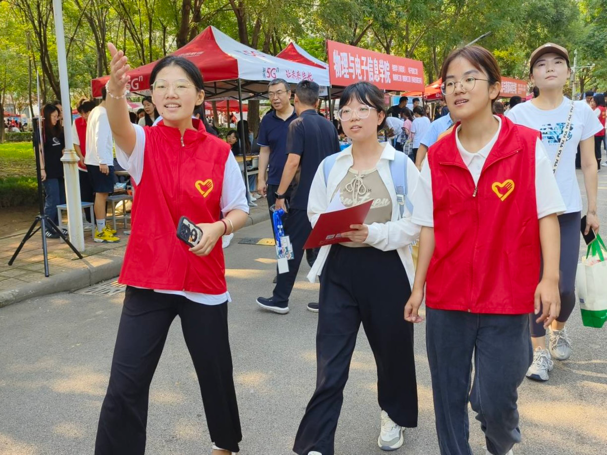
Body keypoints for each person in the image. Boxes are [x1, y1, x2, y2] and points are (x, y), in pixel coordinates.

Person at [406, 45, 566, 455]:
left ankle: (502, 441)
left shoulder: (525, 145)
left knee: (494, 400)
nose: (458, 88)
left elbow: (547, 214)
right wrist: (418, 288)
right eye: (450, 83)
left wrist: (550, 278)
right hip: (447, 296)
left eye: (469, 79)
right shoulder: (437, 156)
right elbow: (428, 227)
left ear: (495, 88)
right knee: (447, 398)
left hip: (507, 294)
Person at [96, 43, 249, 455]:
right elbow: (119, 127)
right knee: (125, 383)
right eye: (161, 86)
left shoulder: (219, 152)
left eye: (181, 85)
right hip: (149, 279)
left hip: (203, 279)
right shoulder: (143, 143)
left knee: (215, 371)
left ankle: (225, 444)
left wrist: (219, 227)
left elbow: (239, 208)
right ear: (151, 96)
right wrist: (115, 92)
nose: (170, 93)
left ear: (199, 96)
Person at [293, 81, 420, 455]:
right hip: (340, 269)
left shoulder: (401, 165)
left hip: (387, 270)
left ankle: (393, 414)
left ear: (380, 116)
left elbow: (417, 223)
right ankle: (316, 443)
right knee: (330, 360)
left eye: (363, 109)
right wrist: (332, 228)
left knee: (392, 352)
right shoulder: (330, 166)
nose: (353, 117)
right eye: (346, 110)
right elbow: (315, 211)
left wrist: (374, 234)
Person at [508, 42, 603, 382]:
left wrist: (592, 209)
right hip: (527, 213)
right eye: (541, 64)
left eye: (557, 62)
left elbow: (589, 162)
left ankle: (558, 330)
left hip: (566, 210)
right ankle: (539, 352)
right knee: (534, 282)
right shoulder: (517, 115)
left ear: (568, 72)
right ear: (532, 76)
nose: (550, 67)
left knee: (563, 286)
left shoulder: (581, 112)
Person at [256, 80, 340, 315]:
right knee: (323, 250)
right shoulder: (329, 125)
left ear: (294, 98)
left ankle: (280, 298)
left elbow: (292, 163)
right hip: (324, 198)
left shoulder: (298, 124)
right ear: (318, 101)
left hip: (302, 198)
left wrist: (280, 195)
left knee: (288, 248)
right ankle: (330, 300)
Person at [257, 78, 298, 234]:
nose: (275, 98)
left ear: (289, 94)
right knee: (279, 228)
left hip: (298, 182)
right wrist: (261, 179)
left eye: (279, 93)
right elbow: (264, 150)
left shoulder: (300, 117)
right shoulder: (267, 120)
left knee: (299, 228)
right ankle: (282, 251)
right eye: (271, 94)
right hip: (275, 181)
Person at [86, 87, 120, 243]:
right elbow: (99, 138)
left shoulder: (96, 111)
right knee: (101, 194)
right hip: (100, 161)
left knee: (102, 194)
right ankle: (100, 231)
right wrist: (103, 161)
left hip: (96, 160)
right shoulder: (103, 113)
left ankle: (101, 226)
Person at [40, 103, 66, 239]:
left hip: (59, 170)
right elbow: (38, 151)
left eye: (57, 116)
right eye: (54, 116)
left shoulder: (59, 131)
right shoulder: (42, 133)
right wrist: (42, 169)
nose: (56, 119)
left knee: (61, 199)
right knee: (53, 199)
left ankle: (57, 225)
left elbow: (63, 149)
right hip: (49, 171)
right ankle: (47, 227)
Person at [72, 100, 97, 209]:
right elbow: (75, 142)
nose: (84, 116)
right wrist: (80, 156)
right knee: (86, 195)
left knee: (99, 194)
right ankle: (89, 216)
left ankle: (101, 217)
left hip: (97, 165)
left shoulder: (99, 122)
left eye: (86, 113)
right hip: (83, 166)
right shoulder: (77, 123)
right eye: (81, 113)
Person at [593, 93, 606, 169]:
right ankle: (598, 165)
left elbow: (591, 118)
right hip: (602, 131)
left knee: (596, 149)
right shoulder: (604, 108)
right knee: (598, 149)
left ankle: (597, 166)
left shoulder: (598, 109)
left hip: (596, 132)